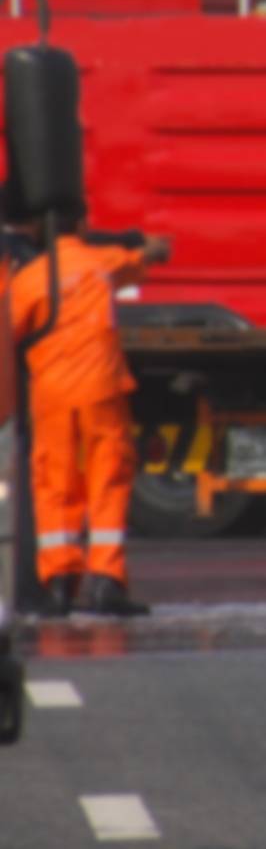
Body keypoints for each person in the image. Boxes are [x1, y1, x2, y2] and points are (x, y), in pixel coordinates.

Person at [10, 222, 171, 617]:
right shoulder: (101, 261)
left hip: (52, 394)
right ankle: (106, 581)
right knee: (108, 479)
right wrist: (135, 242)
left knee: (55, 483)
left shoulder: (28, 279)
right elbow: (155, 252)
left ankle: (60, 582)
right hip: (102, 388)